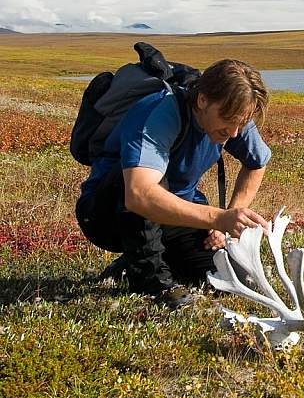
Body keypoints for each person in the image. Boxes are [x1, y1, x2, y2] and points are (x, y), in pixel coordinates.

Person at [75, 59, 272, 308]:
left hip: (176, 213)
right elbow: (139, 194)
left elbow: (257, 163)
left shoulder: (234, 116)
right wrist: (218, 218)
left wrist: (227, 219)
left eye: (241, 123)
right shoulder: (158, 112)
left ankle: (129, 265)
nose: (234, 132)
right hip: (107, 214)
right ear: (202, 100)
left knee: (230, 278)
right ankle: (151, 279)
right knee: (152, 180)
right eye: (229, 120)